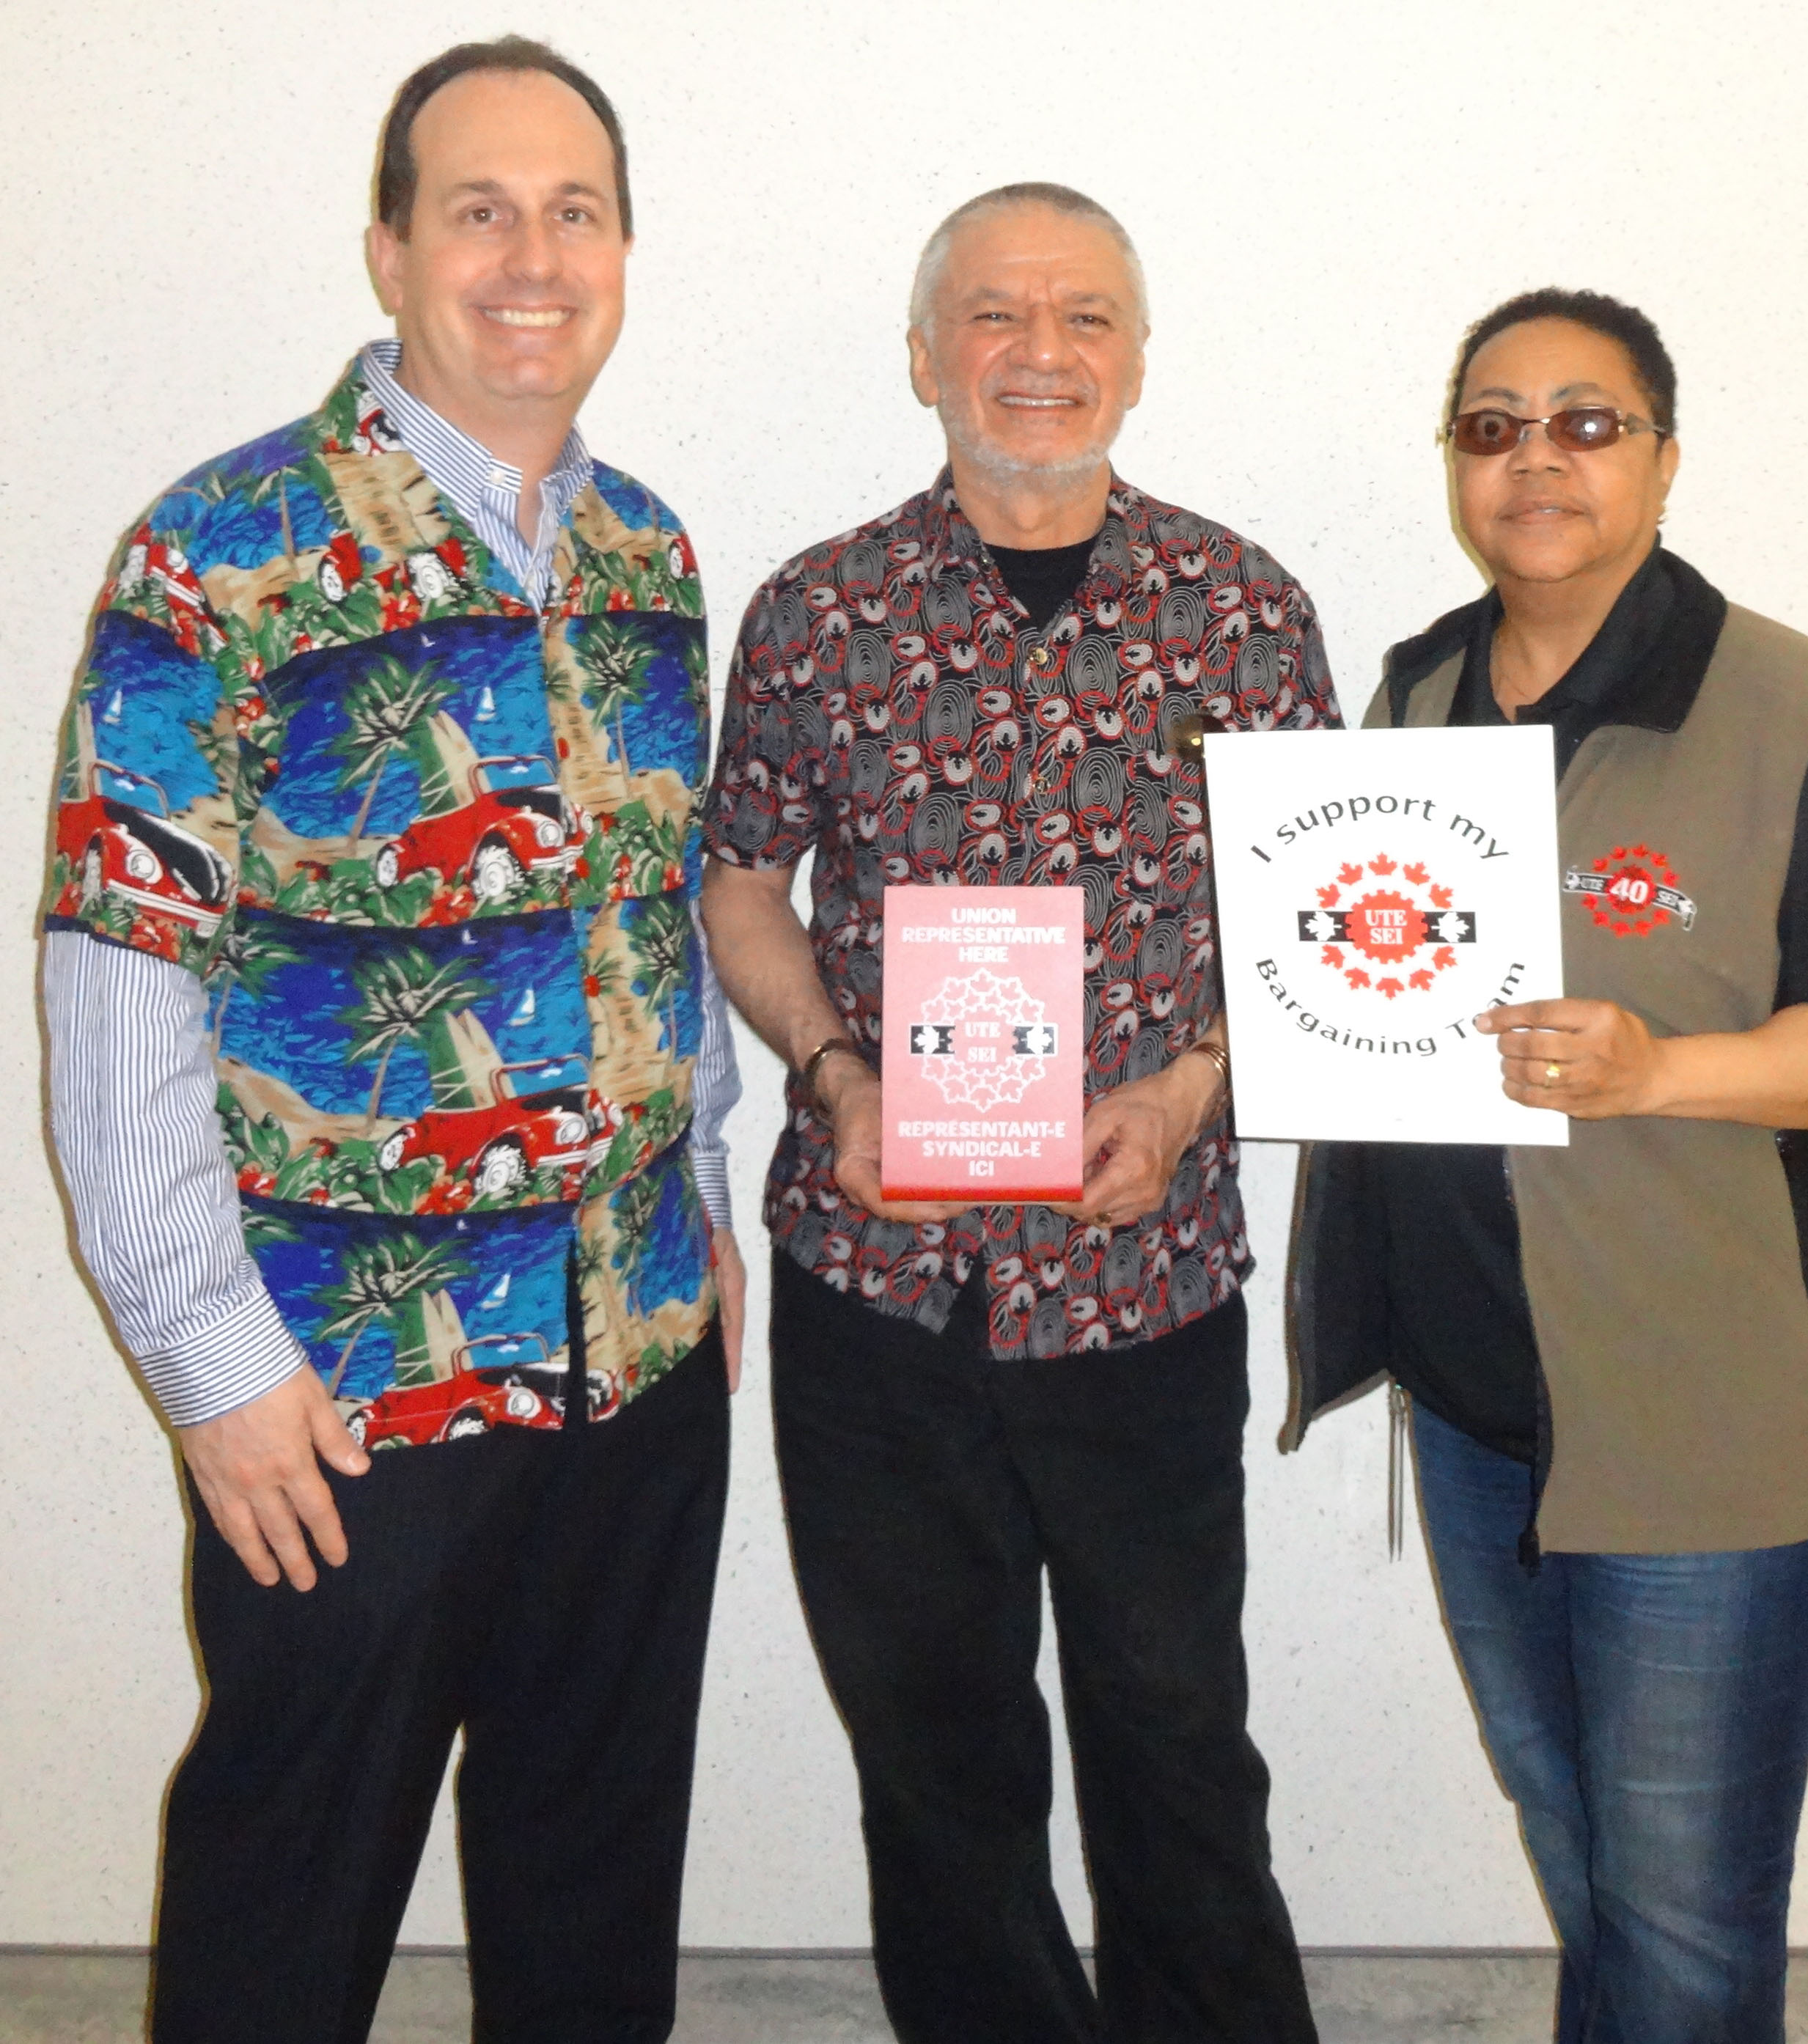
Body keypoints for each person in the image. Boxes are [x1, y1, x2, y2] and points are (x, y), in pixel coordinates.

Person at [41, 38, 743, 2043]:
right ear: (389, 247)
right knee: (288, 1897)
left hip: (637, 1366)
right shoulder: (222, 548)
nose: (533, 255)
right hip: (341, 1398)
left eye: (576, 210)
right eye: (480, 208)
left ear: (623, 252)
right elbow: (119, 958)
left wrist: (696, 1236)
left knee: (592, 1897)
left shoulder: (648, 559)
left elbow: (649, 927)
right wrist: (207, 1359)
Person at [1287, 288, 1808, 2043]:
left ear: (1666, 457)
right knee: (1583, 1848)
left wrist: (1668, 1066)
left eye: (1586, 422)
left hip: (1715, 1415)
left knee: (1680, 1908)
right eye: (1493, 423)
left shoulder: (1804, 712)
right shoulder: (1416, 688)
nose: (1537, 460)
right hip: (1476, 1403)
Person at [701, 183, 1331, 2044]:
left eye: (1082, 317)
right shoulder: (819, 607)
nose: (1036, 353)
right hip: (877, 1291)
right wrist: (835, 1077)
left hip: (1141, 1279)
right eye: (991, 315)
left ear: (1136, 359)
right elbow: (741, 877)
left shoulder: (1242, 605)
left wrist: (1187, 1086)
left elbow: (1316, 914)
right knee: (939, 1765)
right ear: (922, 356)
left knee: (1174, 1740)